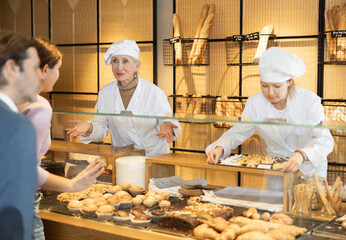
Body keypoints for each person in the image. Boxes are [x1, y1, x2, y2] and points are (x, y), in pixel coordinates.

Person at [206, 47, 334, 190]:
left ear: (289, 81)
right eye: (264, 86)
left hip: (310, 169)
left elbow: (325, 140)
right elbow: (239, 131)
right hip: (277, 170)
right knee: (277, 210)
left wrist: (302, 154)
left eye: (277, 86)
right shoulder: (255, 102)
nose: (270, 92)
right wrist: (221, 146)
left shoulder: (309, 101)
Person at [18, 38, 105, 240]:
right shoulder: (38, 106)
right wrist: (72, 185)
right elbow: (26, 169)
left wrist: (90, 126)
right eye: (59, 69)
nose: (59, 75)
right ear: (46, 69)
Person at [68, 39, 181, 157]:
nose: (119, 67)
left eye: (125, 61)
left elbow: (170, 123)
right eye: (115, 61)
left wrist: (167, 124)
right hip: (123, 158)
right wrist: (89, 127)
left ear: (137, 66)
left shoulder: (154, 92)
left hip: (155, 158)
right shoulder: (105, 93)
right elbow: (101, 127)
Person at [0, 30, 42, 240]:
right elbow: (13, 216)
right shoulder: (17, 127)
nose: (41, 75)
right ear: (12, 69)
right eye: (35, 68)